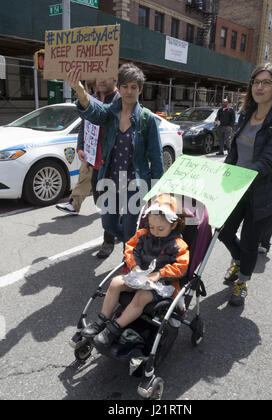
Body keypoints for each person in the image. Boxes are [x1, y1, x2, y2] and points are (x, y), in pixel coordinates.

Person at [219, 62, 272, 306]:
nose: (259, 87)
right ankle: (240, 261)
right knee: (225, 232)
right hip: (237, 189)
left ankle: (242, 280)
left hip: (264, 192)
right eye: (256, 82)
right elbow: (233, 152)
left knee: (251, 241)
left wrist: (238, 176)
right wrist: (224, 174)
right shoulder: (244, 114)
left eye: (266, 82)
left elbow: (268, 162)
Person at [66, 63, 164, 245]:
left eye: (133, 87)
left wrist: (156, 194)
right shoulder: (110, 113)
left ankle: (129, 260)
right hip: (110, 180)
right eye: (125, 86)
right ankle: (134, 247)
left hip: (135, 184)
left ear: (140, 90)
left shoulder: (147, 118)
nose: (128, 91)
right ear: (119, 87)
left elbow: (157, 160)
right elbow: (92, 111)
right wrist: (79, 89)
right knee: (109, 225)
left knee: (128, 227)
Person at [81, 194, 190, 347]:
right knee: (115, 283)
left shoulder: (178, 244)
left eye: (160, 229)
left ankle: (114, 328)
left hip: (161, 285)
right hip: (139, 276)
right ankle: (101, 320)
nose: (155, 231)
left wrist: (159, 274)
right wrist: (135, 266)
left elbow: (181, 266)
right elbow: (131, 250)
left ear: (173, 225)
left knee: (141, 297)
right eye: (151, 227)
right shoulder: (143, 235)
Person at [56, 78, 121, 259]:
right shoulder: (91, 99)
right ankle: (119, 222)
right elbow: (84, 124)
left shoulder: (119, 101)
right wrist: (80, 146)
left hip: (111, 162)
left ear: (113, 79)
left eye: (104, 78)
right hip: (94, 160)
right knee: (100, 200)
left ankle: (108, 241)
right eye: (97, 79)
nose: (100, 82)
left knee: (109, 204)